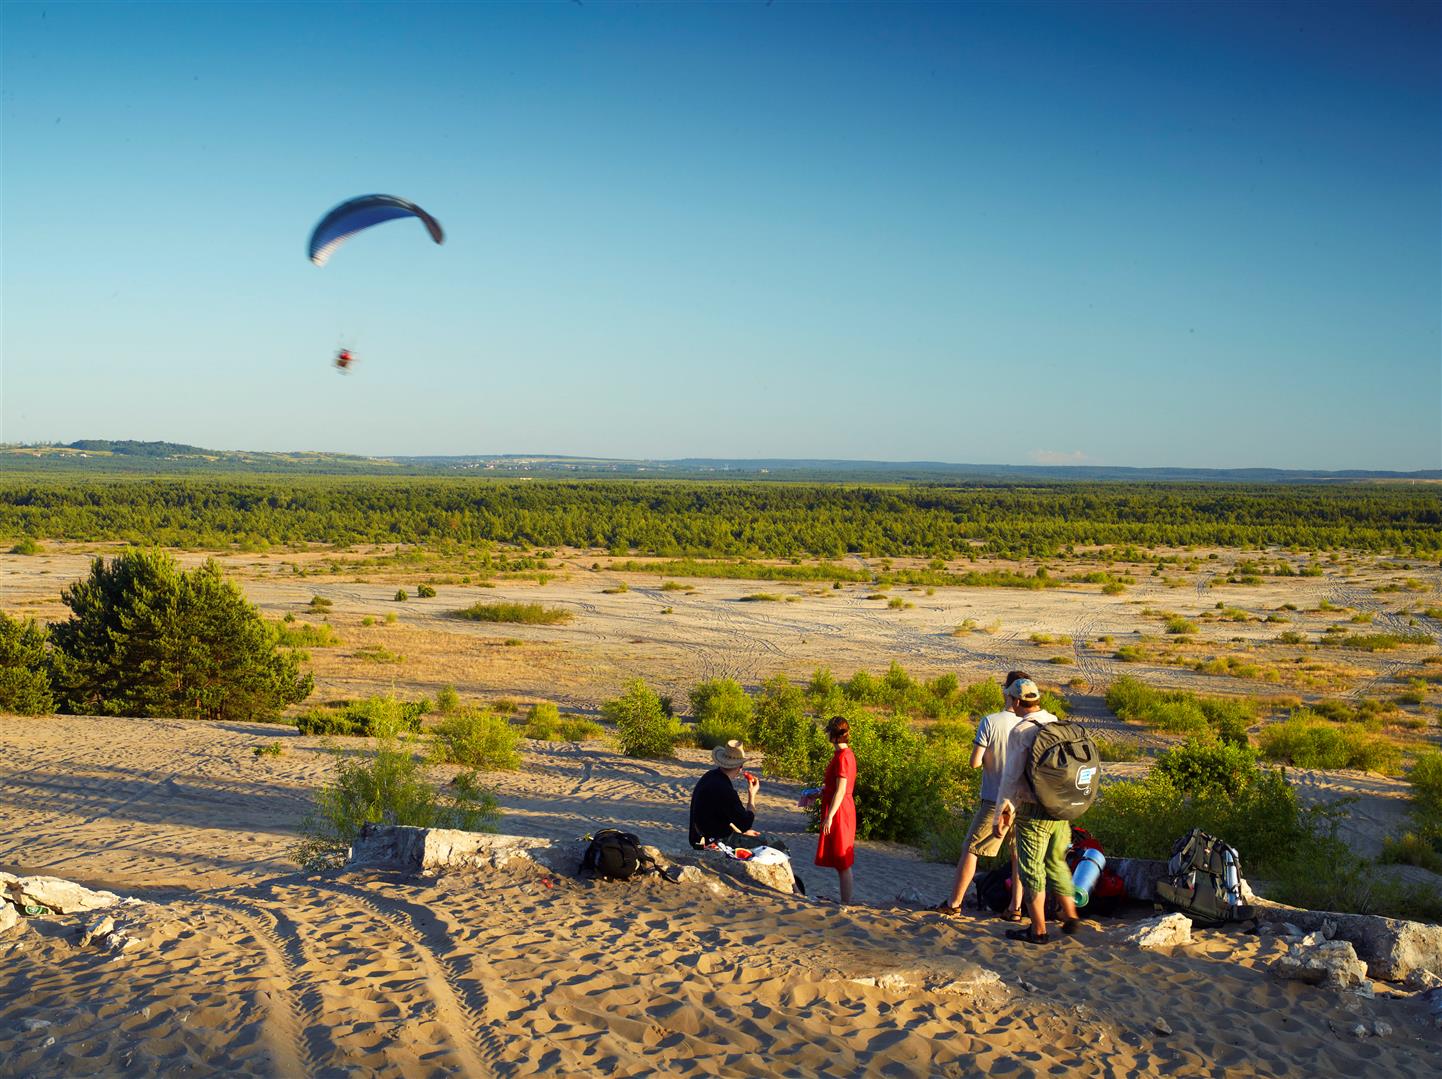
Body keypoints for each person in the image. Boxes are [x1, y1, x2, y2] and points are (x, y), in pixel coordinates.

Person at [929, 671, 1028, 919]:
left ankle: (954, 903)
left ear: (1007, 691)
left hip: (996, 798)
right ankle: (1015, 907)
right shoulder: (1035, 723)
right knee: (1019, 856)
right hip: (1025, 801)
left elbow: (975, 762)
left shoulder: (991, 721)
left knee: (971, 848)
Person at [994, 677, 1081, 944]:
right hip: (1060, 806)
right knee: (1056, 861)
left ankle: (1038, 930)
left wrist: (1002, 814)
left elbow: (1011, 778)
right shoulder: (1053, 720)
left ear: (1016, 701)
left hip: (1033, 810)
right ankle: (1070, 914)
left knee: (1032, 869)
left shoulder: (1021, 731)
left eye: (1009, 698)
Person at [814, 716, 857, 903]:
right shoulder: (843, 755)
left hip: (840, 810)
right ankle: (844, 901)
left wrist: (830, 816)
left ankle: (846, 903)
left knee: (842, 861)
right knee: (840, 860)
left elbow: (841, 790)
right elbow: (835, 787)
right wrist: (819, 792)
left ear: (832, 735)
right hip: (839, 806)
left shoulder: (843, 758)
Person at [689, 739, 761, 849]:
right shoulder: (725, 790)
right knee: (762, 844)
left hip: (697, 836)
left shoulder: (709, 776)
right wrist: (752, 795)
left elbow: (726, 816)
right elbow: (745, 823)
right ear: (740, 767)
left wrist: (741, 832)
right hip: (709, 842)